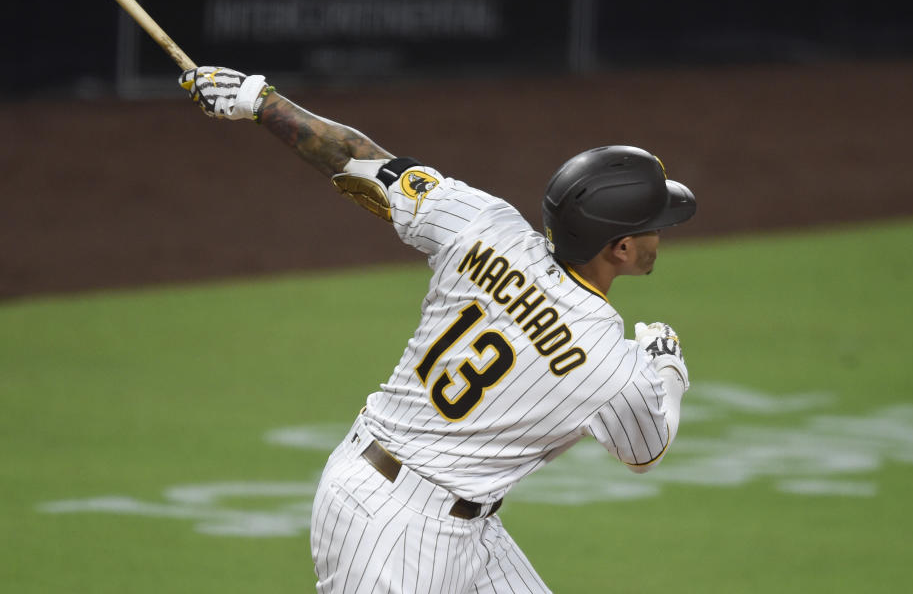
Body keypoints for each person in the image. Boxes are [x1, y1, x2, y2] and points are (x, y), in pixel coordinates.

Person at [179, 66, 697, 593]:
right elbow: (645, 449)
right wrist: (666, 364)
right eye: (654, 225)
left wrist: (257, 100)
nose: (662, 233)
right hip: (390, 535)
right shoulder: (610, 361)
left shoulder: (482, 225)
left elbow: (356, 161)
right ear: (621, 248)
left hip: (442, 518)